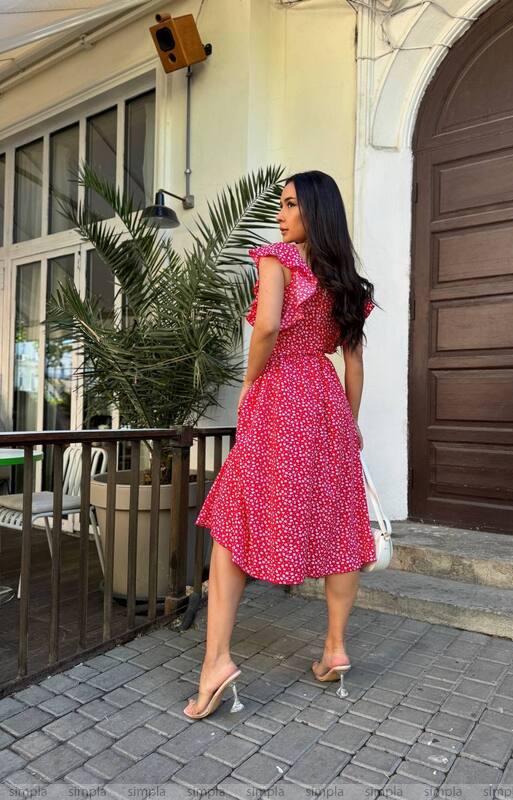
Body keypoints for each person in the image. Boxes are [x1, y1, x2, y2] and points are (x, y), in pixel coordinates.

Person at [183, 170, 378, 720]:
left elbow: (266, 326)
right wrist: (350, 423)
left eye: (291, 204)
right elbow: (354, 364)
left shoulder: (278, 259)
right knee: (340, 521)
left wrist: (249, 383)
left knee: (235, 520)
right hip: (327, 403)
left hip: (282, 396)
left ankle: (216, 661)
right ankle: (335, 649)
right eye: (281, 203)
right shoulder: (351, 286)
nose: (281, 212)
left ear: (315, 212)